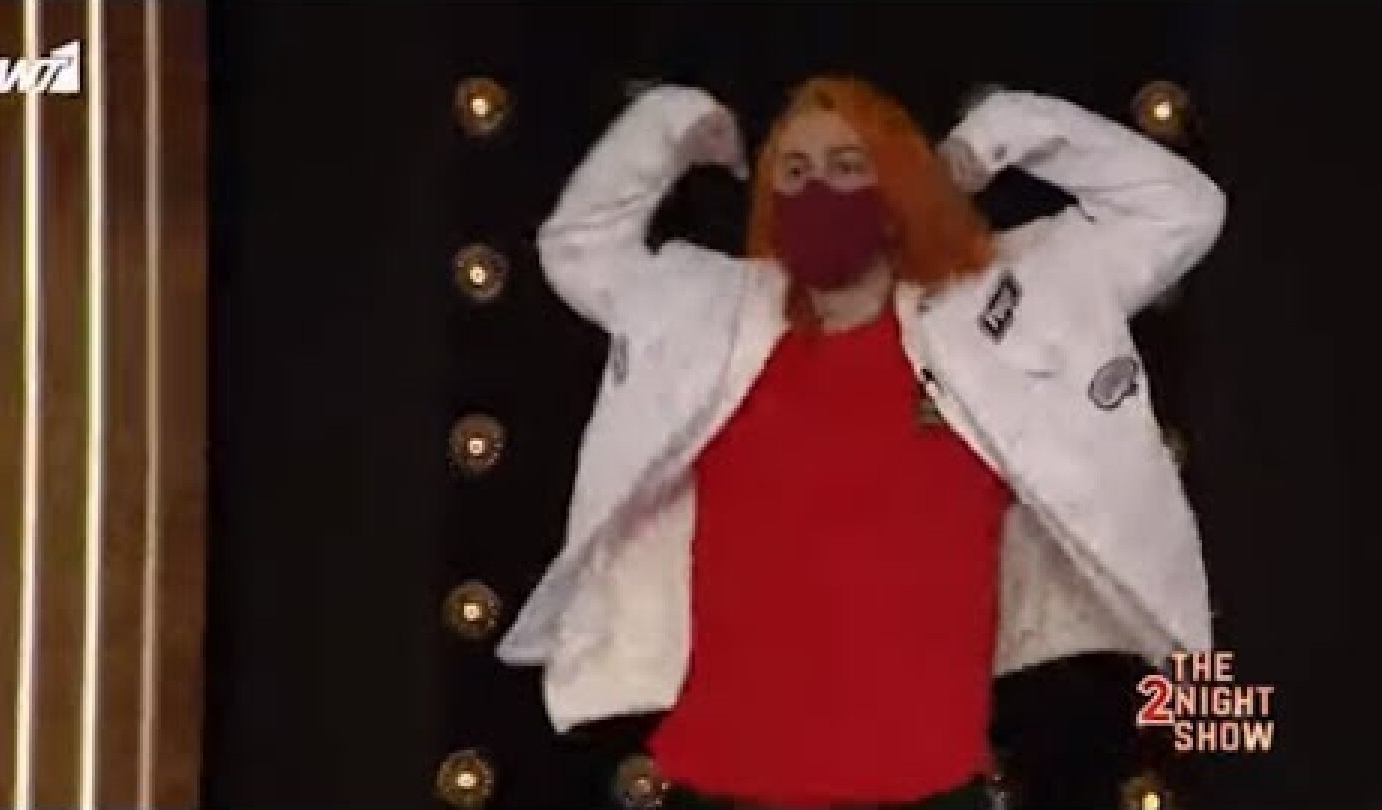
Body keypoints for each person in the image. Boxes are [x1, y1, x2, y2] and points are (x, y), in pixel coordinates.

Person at [496, 77, 1226, 810]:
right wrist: (667, 126)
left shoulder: (1000, 313)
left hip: (926, 787)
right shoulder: (706, 314)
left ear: (902, 183)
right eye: (794, 172)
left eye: (848, 167)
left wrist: (999, 135)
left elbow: (1182, 209)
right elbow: (579, 251)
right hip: (722, 782)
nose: (818, 191)